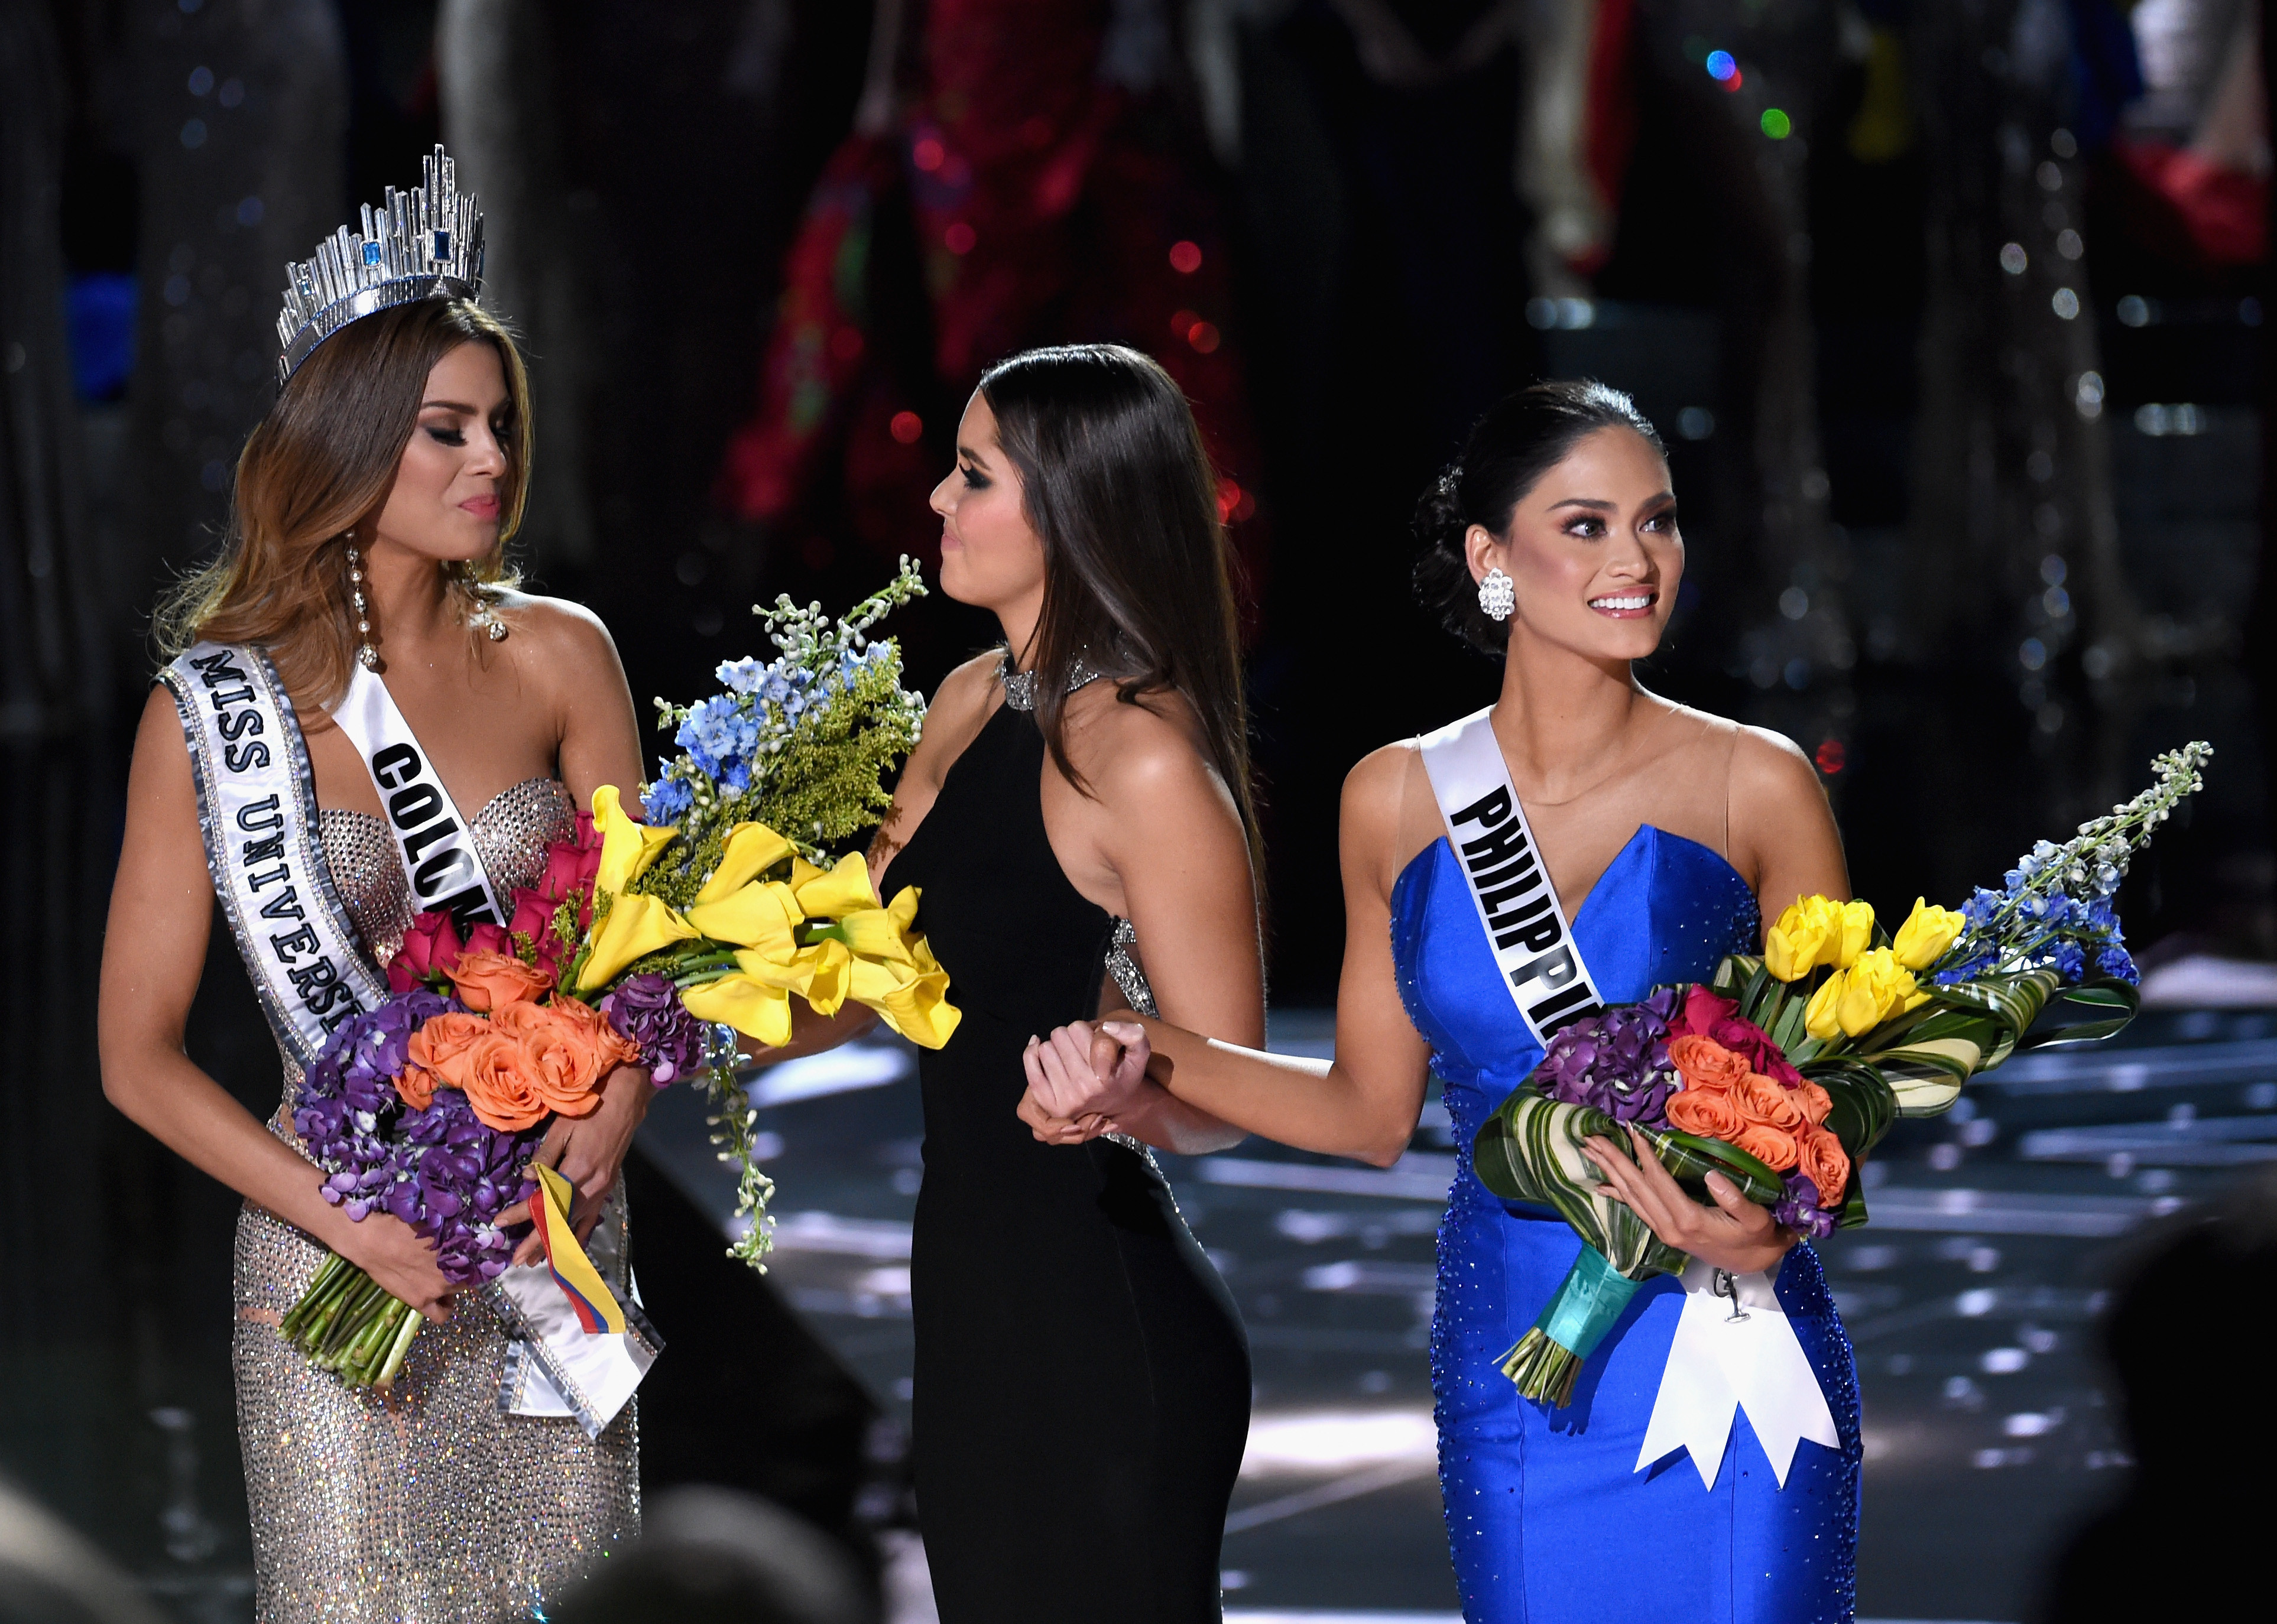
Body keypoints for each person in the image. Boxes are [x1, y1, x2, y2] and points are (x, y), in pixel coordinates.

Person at [1022, 381, 1865, 1622]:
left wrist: (1774, 1227)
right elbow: (1368, 1114)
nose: (1636, 560)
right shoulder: (1398, 798)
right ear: (1491, 558)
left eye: (1658, 520)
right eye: (1586, 526)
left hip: (1724, 1344)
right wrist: (1139, 1055)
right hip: (1518, 1365)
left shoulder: (1759, 782)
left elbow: (1842, 1093)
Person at [97, 151, 649, 1621]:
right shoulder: (210, 717)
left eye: (500, 426)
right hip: (333, 1254)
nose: (489, 460)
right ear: (347, 447)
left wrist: (623, 1086)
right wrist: (349, 1226)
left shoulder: (563, 654)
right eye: (444, 430)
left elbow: (648, 939)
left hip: (547, 1249)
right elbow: (137, 1058)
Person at [777, 342, 1259, 1622]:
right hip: (968, 1306)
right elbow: (861, 971)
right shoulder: (968, 698)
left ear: (1076, 508)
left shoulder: (1141, 759)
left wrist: (1126, 1085)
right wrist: (647, 1016)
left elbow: (1229, 1087)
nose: (938, 497)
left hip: (1098, 1323)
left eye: (974, 475)